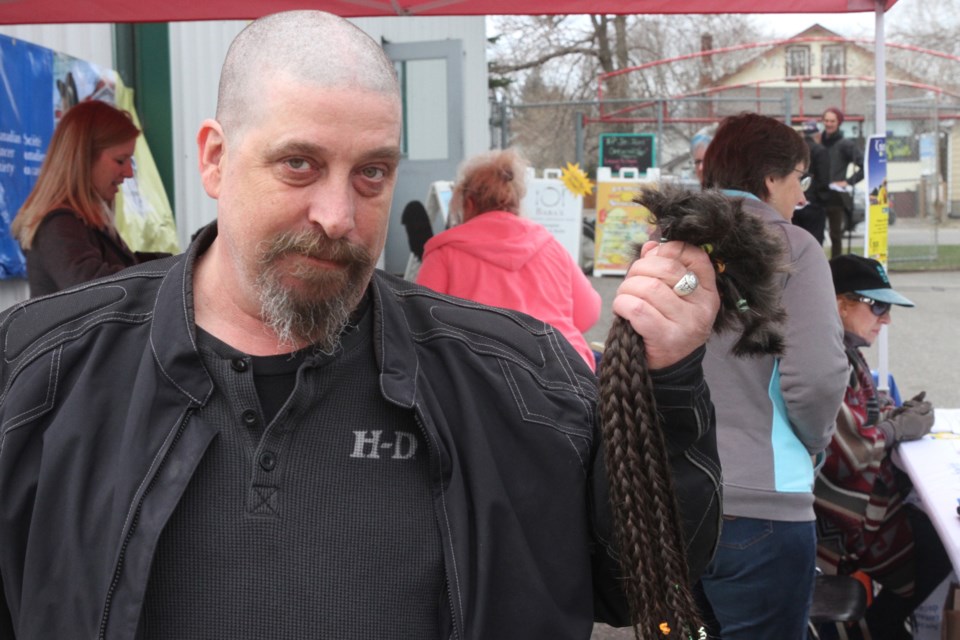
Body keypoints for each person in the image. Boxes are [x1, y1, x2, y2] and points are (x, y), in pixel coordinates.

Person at [0, 11, 722, 640]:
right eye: (298, 165)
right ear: (215, 158)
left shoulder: (518, 383)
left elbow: (637, 584)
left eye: (372, 174)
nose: (338, 216)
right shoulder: (42, 374)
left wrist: (666, 386)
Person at [695, 112, 848, 639]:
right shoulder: (792, 248)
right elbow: (819, 378)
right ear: (768, 179)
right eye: (797, 179)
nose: (801, 196)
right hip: (762, 504)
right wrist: (816, 443)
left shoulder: (667, 249)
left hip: (671, 499)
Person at [814, 254, 951, 640]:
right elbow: (851, 450)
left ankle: (883, 623)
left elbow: (865, 413)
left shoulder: (842, 349)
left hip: (831, 504)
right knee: (935, 548)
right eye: (878, 306)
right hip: (832, 518)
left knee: (932, 534)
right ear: (841, 303)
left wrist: (895, 414)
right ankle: (882, 626)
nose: (886, 319)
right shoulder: (826, 357)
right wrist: (897, 428)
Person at [416, 149, 601, 370]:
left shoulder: (445, 253)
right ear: (515, 200)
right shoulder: (549, 245)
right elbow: (588, 315)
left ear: (470, 203)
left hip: (482, 379)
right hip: (566, 374)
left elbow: (419, 324)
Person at [10, 100, 171, 297]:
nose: (129, 172)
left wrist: (183, 264)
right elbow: (96, 290)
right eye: (120, 160)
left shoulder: (83, 222)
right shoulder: (57, 225)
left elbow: (128, 267)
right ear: (83, 159)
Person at [821, 107, 865, 258]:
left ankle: (836, 267)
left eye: (832, 121)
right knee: (815, 235)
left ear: (838, 123)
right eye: (826, 120)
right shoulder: (818, 142)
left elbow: (863, 166)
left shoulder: (845, 144)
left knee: (835, 235)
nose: (829, 124)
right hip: (818, 194)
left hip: (835, 196)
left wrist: (847, 182)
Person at [792, 119, 831, 245]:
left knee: (796, 243)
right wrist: (822, 200)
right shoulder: (820, 151)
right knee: (814, 244)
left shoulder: (795, 151)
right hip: (814, 204)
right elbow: (823, 179)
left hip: (795, 203)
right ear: (817, 135)